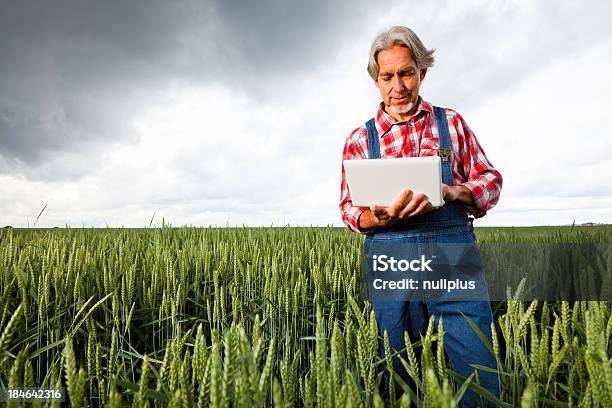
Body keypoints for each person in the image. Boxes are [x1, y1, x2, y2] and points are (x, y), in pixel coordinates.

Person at [339, 26, 503, 407]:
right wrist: (375, 219)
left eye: (407, 73)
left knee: (477, 365)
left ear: (422, 73)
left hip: (451, 254)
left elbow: (490, 180)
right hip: (389, 256)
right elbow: (349, 209)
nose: (398, 85)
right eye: (387, 76)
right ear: (376, 80)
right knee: (395, 371)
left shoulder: (452, 124)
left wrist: (452, 192)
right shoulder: (360, 139)